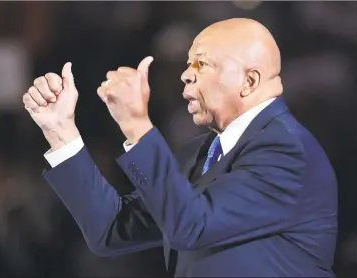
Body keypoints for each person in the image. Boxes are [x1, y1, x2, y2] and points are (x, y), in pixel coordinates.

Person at [22, 18, 338, 277]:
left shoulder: (287, 151)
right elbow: (112, 229)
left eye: (202, 64)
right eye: (189, 64)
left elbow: (192, 225)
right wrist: (59, 129)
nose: (185, 75)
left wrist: (136, 125)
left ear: (250, 81)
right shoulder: (196, 154)